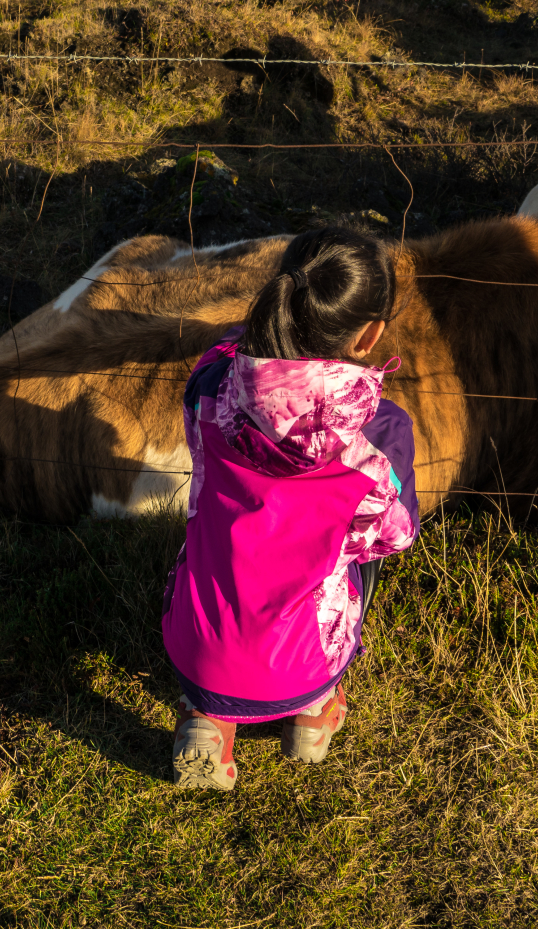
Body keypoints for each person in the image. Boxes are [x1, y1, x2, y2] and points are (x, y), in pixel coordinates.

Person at [161, 226, 420, 791]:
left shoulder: (209, 386)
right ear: (371, 333)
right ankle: (312, 712)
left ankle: (207, 719)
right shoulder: (380, 435)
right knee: (358, 556)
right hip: (303, 665)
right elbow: (394, 536)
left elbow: (229, 351)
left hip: (196, 647)